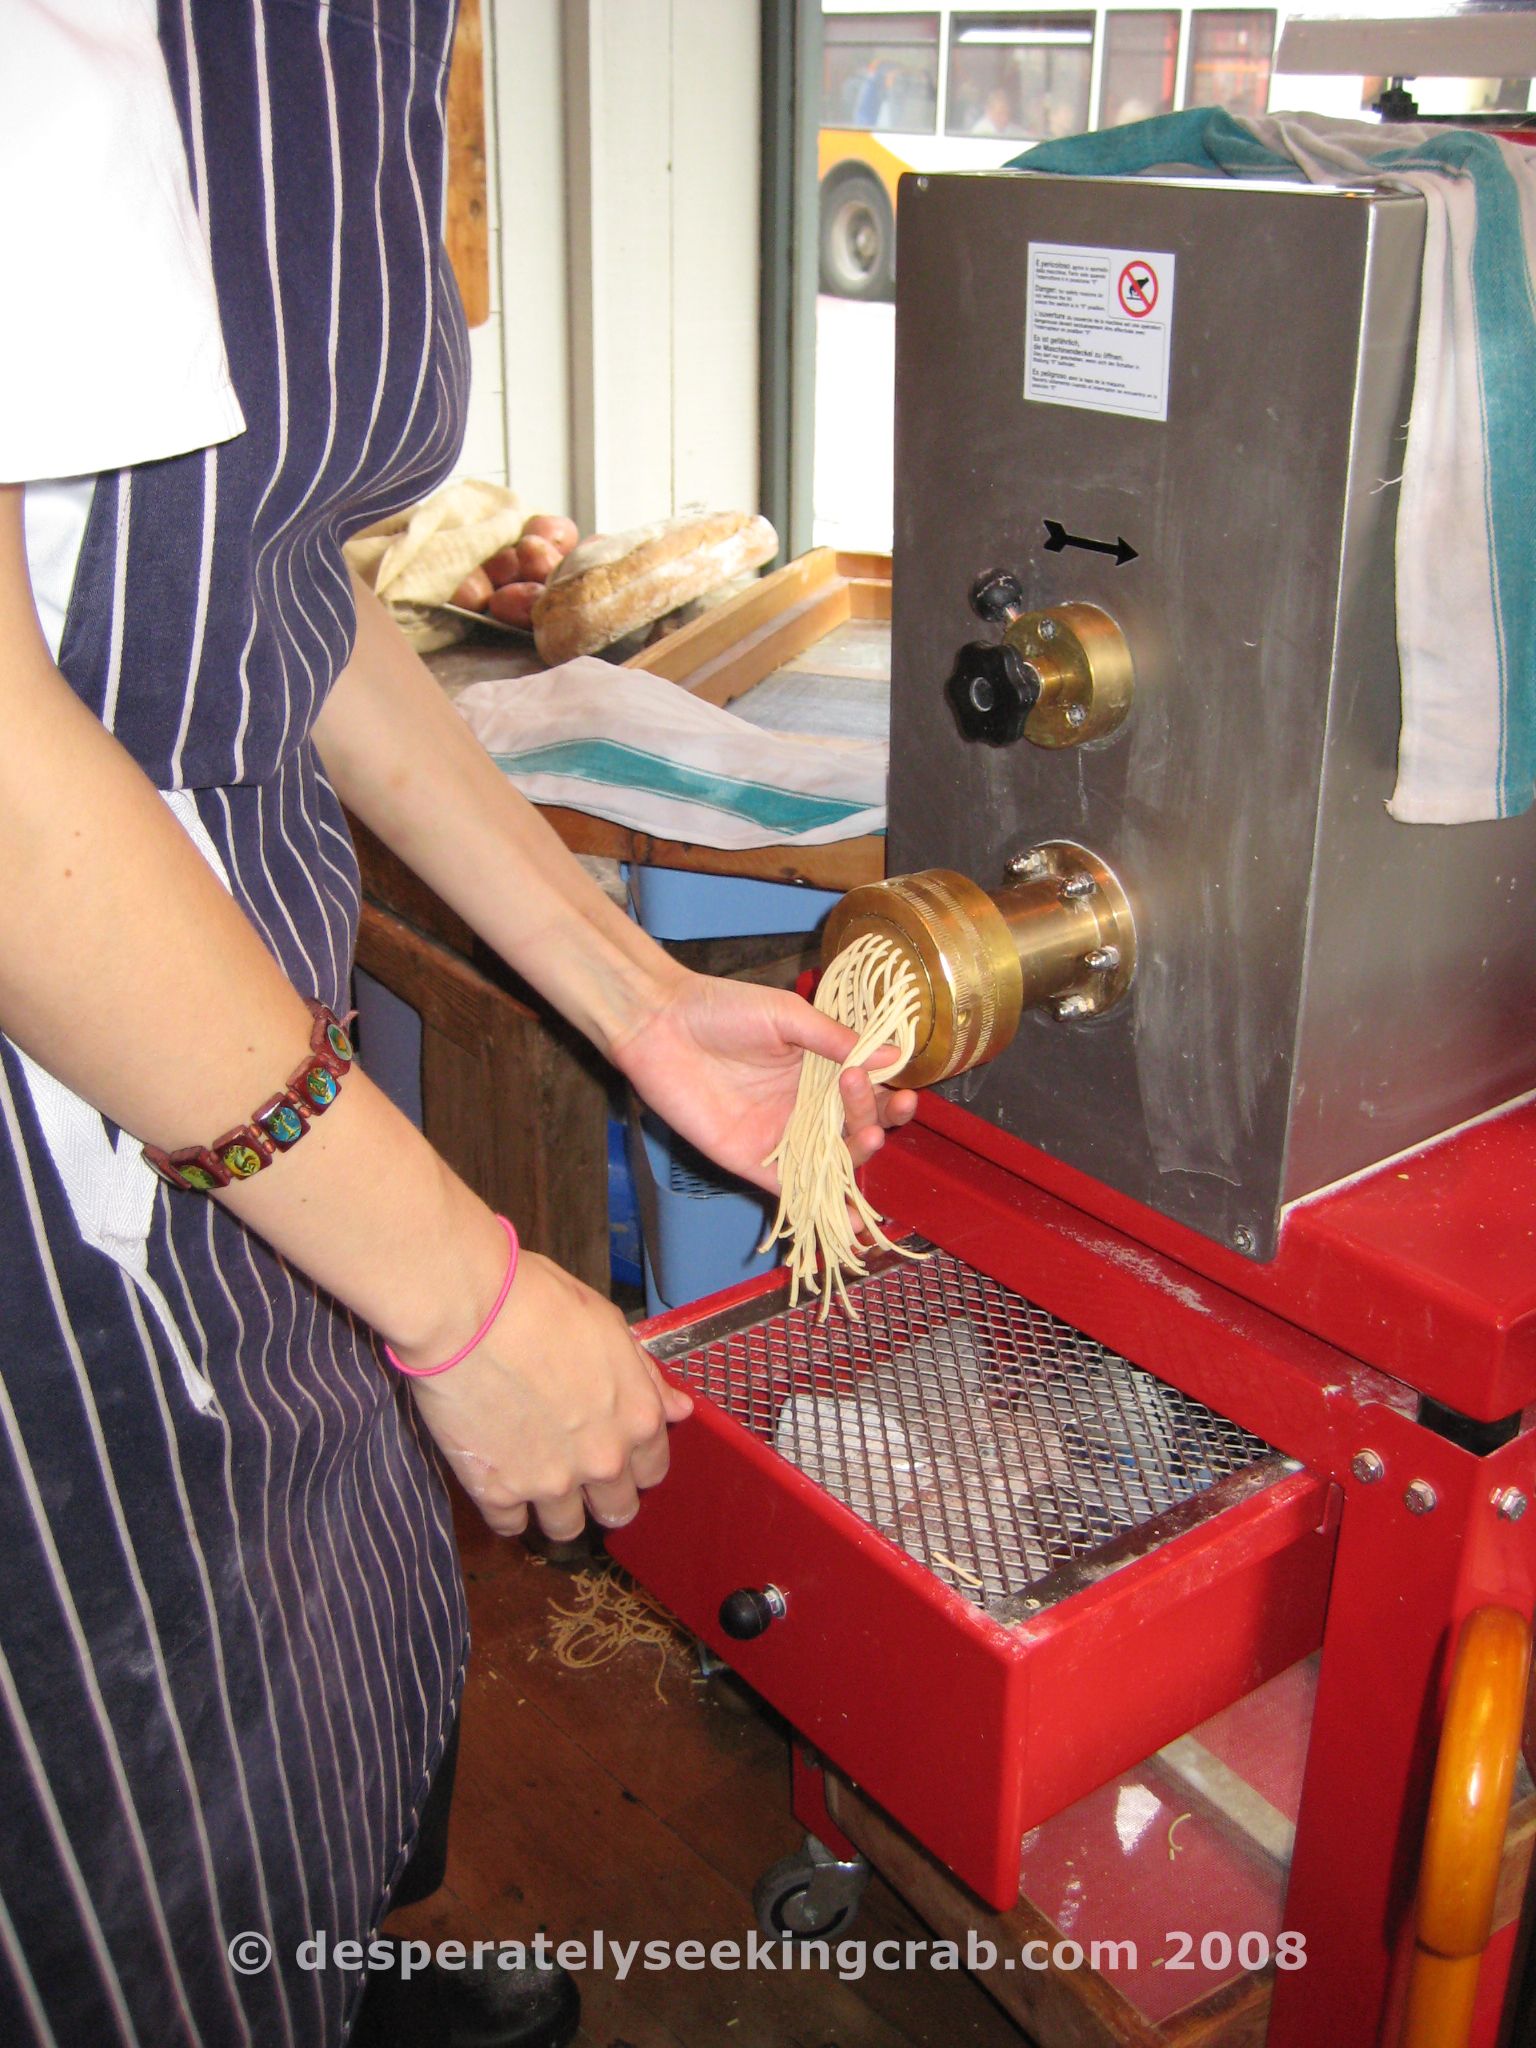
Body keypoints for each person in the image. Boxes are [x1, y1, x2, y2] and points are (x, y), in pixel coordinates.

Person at [0, 6, 915, 2046]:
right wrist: (465, 1297)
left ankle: (313, 1961)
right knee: (125, 1790)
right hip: (65, 1092)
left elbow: (269, 581)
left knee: (310, 1631)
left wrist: (637, 995)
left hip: (250, 1030)